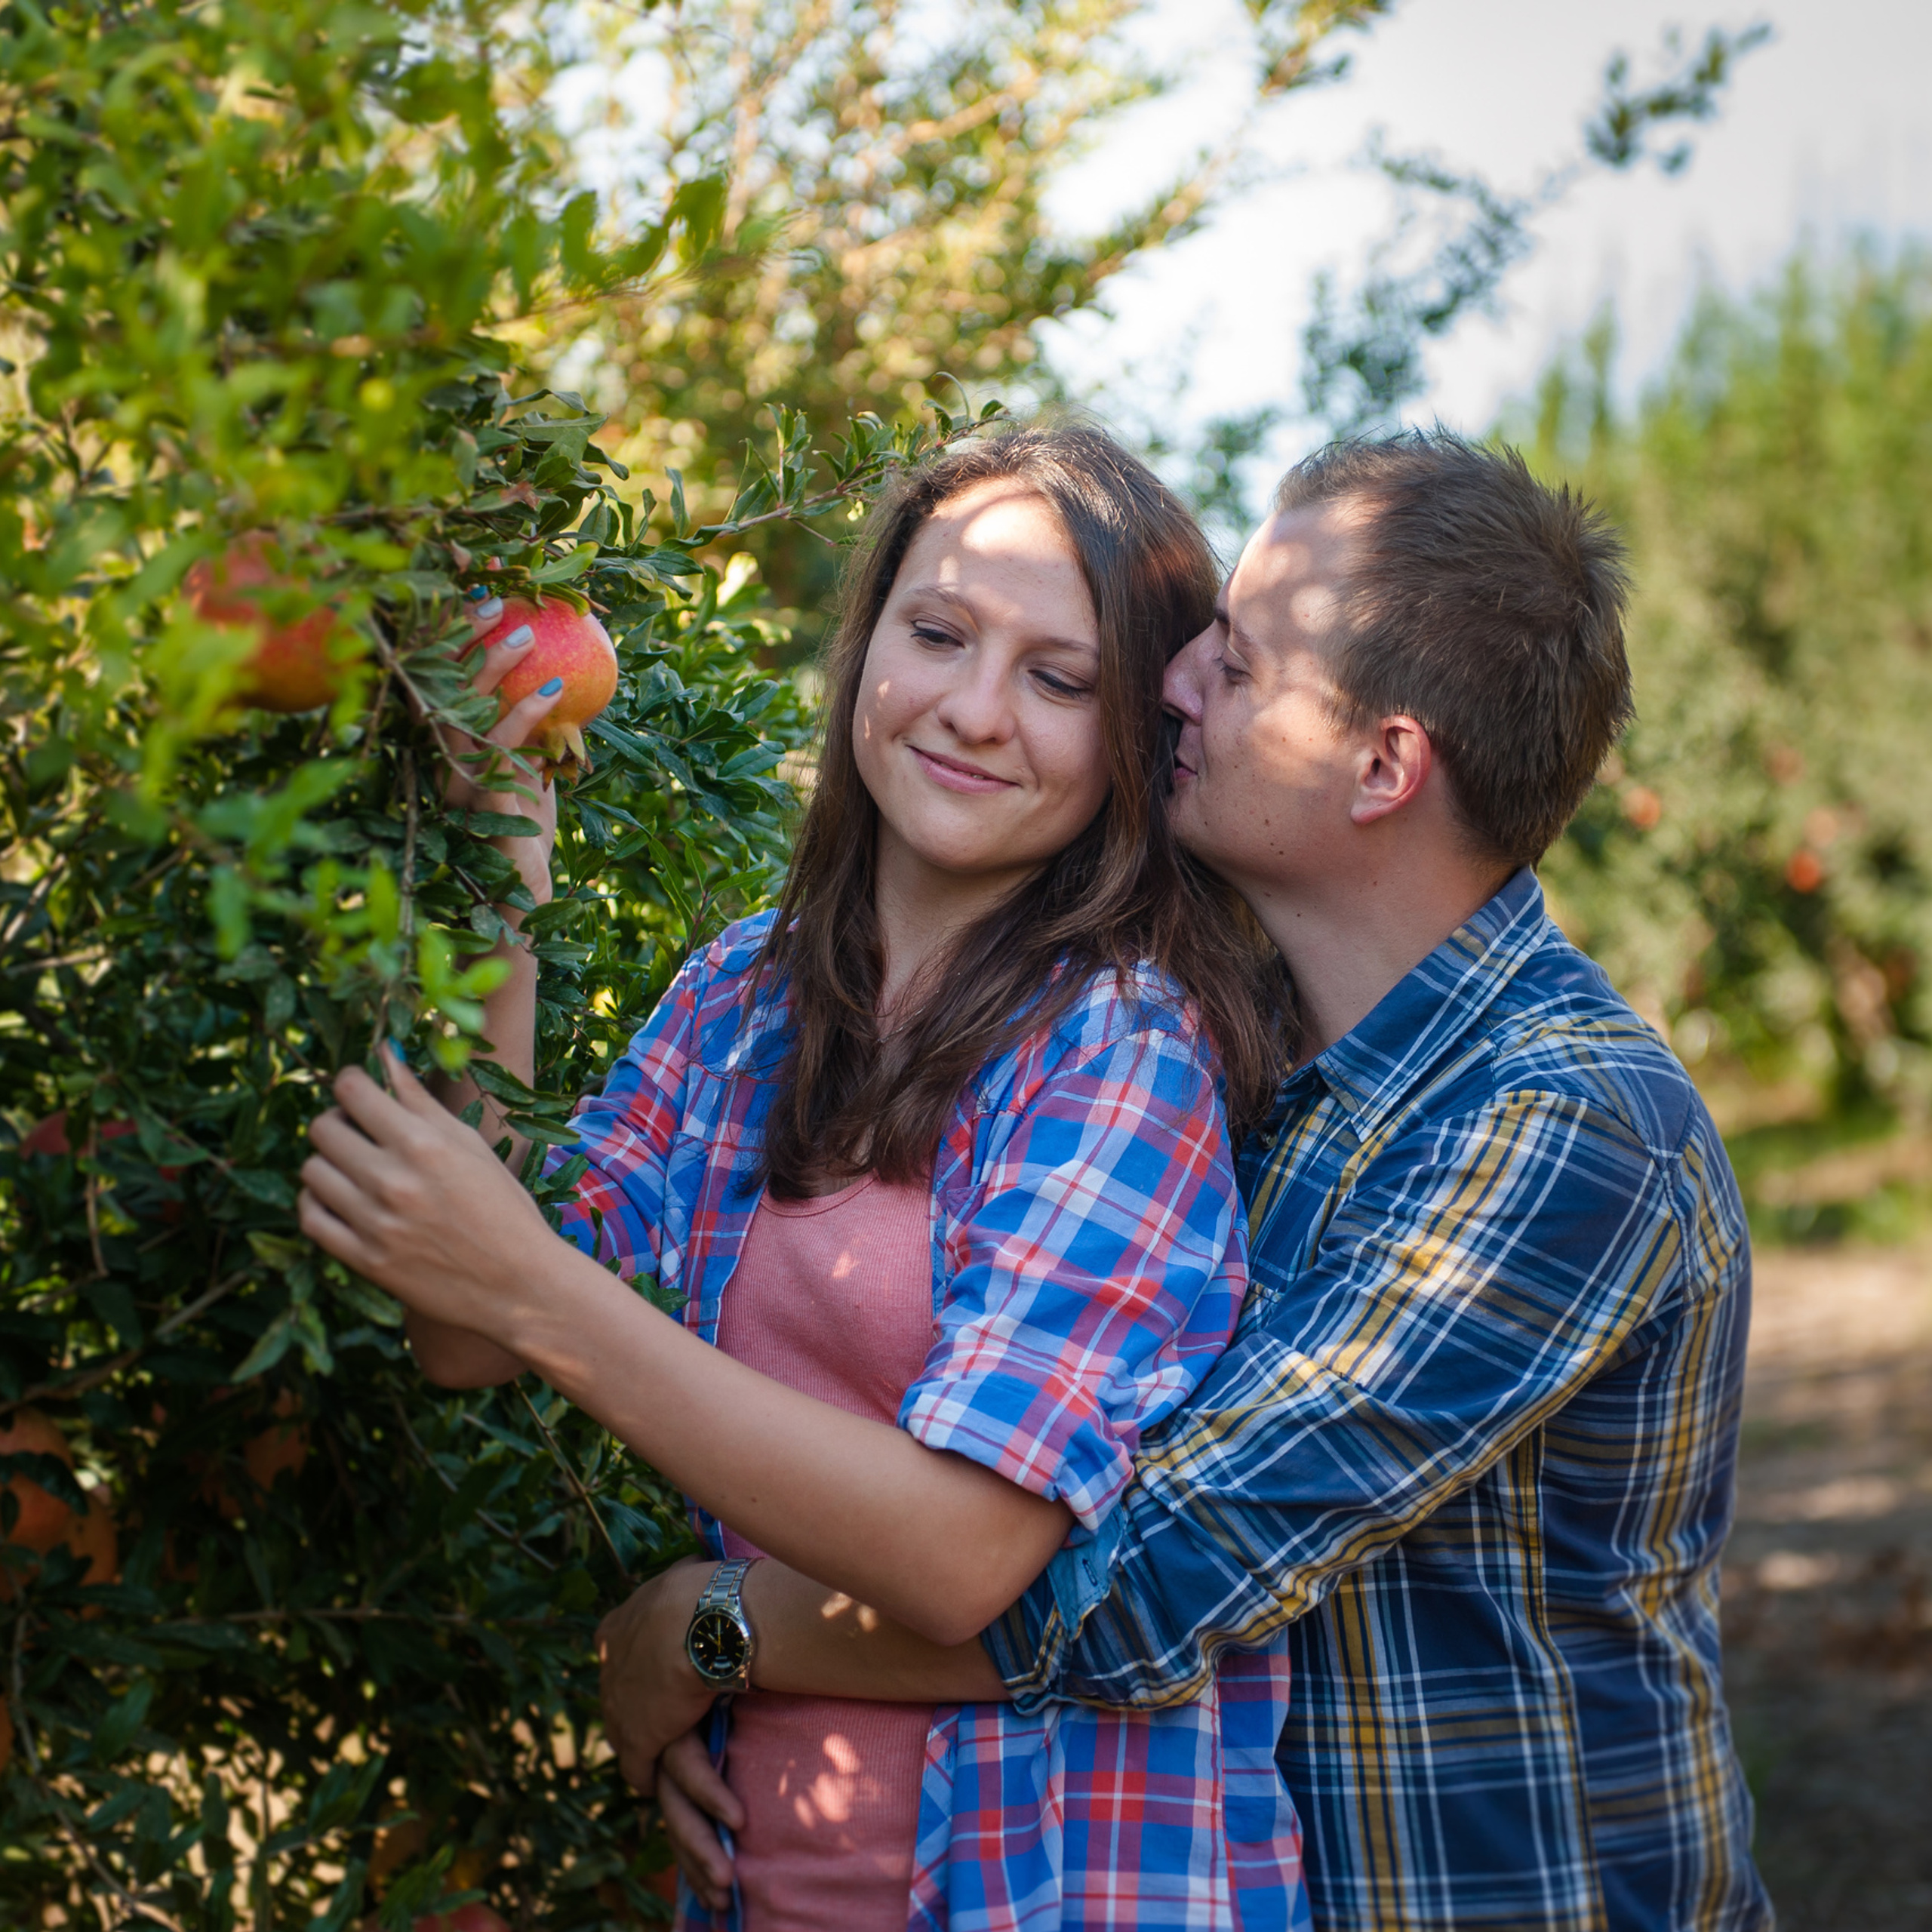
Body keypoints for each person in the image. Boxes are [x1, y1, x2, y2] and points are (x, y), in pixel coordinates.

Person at [610, 431, 1774, 1931]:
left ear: (1378, 766)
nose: (1172, 683)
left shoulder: (1557, 1124)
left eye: (1235, 663)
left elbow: (1138, 1577)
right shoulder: (1270, 1055)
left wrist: (708, 1626)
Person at [297, 423, 1311, 1930]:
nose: (973, 709)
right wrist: (502, 885)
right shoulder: (741, 1001)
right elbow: (462, 1329)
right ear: (866, 646)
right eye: (938, 632)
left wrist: (540, 1306)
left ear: (1128, 737)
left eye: (1057, 676)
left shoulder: (1115, 1047)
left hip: (1042, 1880)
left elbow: (962, 1548)